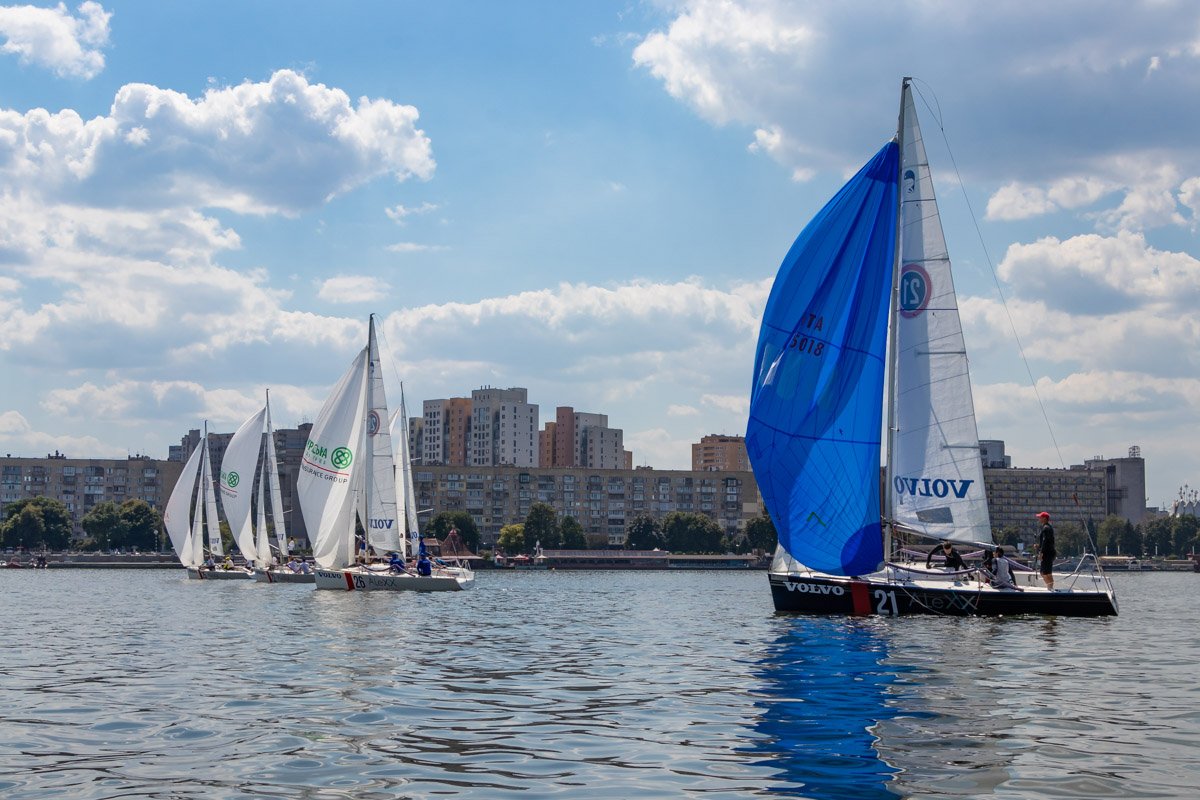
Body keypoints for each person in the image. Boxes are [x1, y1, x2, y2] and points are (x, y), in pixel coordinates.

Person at [1036, 511, 1056, 589]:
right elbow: (1047, 541)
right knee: (1045, 572)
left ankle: (1050, 588)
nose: (1039, 519)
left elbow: (1045, 541)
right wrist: (1038, 546)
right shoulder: (1049, 527)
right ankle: (1050, 587)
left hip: (1047, 553)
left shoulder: (1045, 528)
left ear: (1044, 518)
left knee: (1046, 572)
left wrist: (1041, 553)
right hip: (1049, 552)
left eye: (1040, 517)